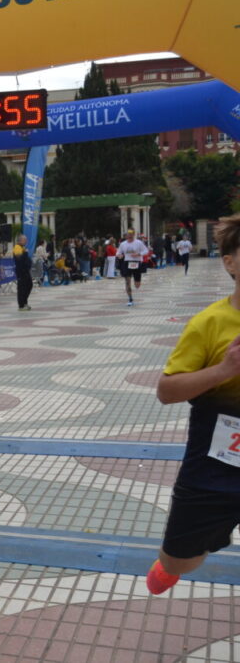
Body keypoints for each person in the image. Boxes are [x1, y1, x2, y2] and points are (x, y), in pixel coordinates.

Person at [146, 215, 240, 595]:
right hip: (214, 466)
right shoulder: (209, 323)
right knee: (180, 560)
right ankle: (171, 566)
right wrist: (223, 371)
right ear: (230, 261)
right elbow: (167, 390)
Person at [116, 229, 148, 306]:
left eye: (131, 235)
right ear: (126, 236)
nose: (129, 236)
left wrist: (138, 254)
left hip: (136, 263)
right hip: (127, 263)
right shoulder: (123, 244)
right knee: (127, 282)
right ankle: (130, 299)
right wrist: (119, 255)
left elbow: (146, 251)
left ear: (133, 235)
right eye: (128, 235)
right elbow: (118, 252)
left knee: (137, 285)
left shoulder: (139, 243)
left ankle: (137, 282)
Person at [12, 234, 33, 311]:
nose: (26, 241)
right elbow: (19, 259)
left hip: (25, 271)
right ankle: (21, 305)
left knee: (29, 285)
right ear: (20, 240)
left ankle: (24, 302)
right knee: (22, 288)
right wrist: (25, 253)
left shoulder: (22, 247)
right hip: (21, 271)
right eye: (25, 240)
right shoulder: (17, 247)